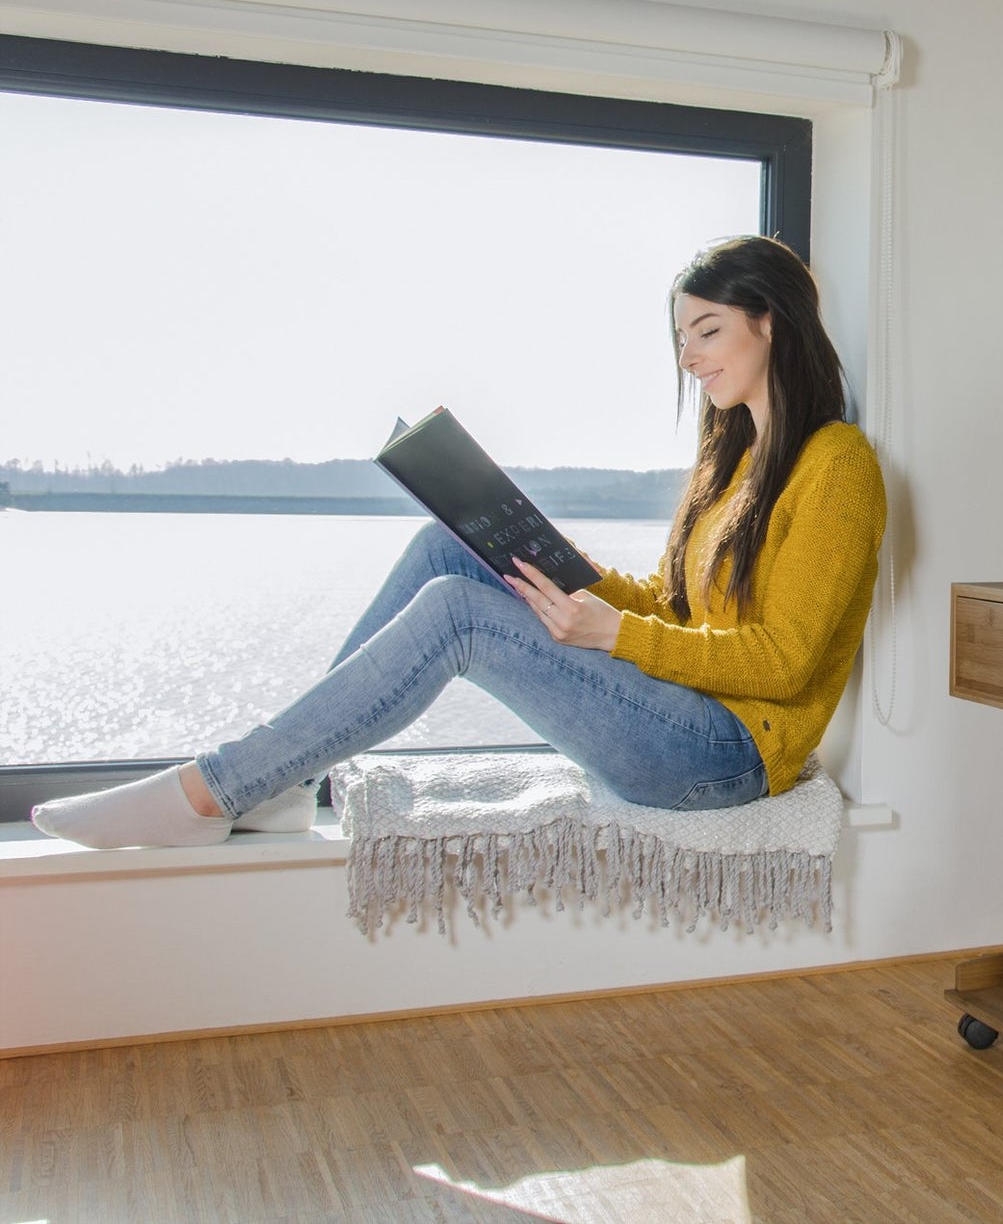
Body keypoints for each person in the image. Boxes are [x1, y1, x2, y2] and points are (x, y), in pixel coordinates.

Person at [33, 236, 888, 849]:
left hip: (728, 753)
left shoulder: (837, 467)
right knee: (449, 553)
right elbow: (675, 608)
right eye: (680, 338)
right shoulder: (729, 461)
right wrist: (537, 554)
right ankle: (285, 784)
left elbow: (785, 661)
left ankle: (211, 788)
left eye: (706, 330)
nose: (688, 357)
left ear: (769, 321)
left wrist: (613, 634)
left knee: (457, 615)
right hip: (681, 712)